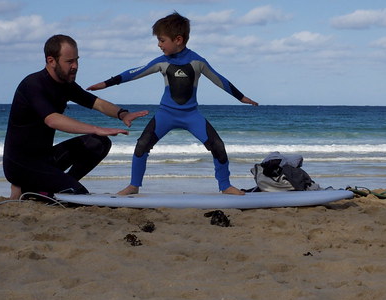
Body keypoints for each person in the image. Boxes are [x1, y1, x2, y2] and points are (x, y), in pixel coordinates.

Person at [88, 12, 258, 195]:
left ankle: (225, 186)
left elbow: (219, 80)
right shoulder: (162, 62)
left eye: (162, 40)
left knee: (218, 145)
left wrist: (241, 98)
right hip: (166, 114)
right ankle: (133, 186)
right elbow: (134, 73)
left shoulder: (197, 61)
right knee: (142, 144)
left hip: (191, 115)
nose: (159, 45)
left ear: (178, 39)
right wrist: (106, 83)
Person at [2, 34, 147, 199]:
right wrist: (96, 128)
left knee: (99, 143)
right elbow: (52, 119)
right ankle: (36, 190)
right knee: (78, 194)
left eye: (77, 60)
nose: (75, 66)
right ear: (51, 61)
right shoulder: (33, 84)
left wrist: (122, 114)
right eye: (69, 61)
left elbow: (96, 103)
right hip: (21, 165)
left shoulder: (66, 85)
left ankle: (52, 188)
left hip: (46, 159)